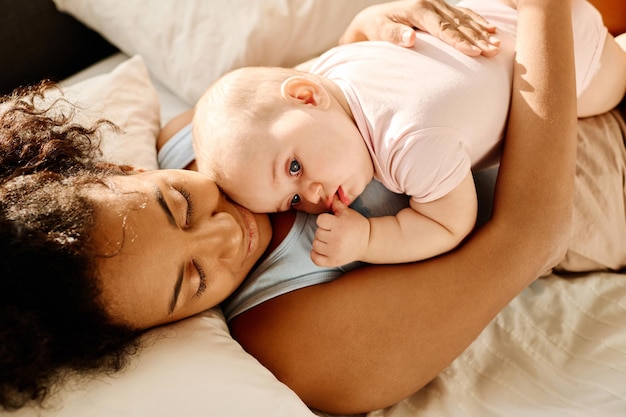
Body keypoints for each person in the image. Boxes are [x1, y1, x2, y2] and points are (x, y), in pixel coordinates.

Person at [0, 0, 623, 415]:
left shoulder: (192, 135)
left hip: (521, 59)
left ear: (121, 169)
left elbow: (323, 95)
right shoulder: (296, 343)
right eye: (192, 281)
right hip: (584, 158)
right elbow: (532, 234)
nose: (226, 233)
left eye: (177, 206)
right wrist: (544, 10)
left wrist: (376, 28)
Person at [190, 0, 626, 267]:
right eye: (293, 201)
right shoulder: (332, 68)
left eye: (294, 167)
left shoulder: (406, 152)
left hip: (576, 64)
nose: (314, 194)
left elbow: (448, 223)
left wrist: (368, 240)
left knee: (618, 76)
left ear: (306, 97)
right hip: (507, 13)